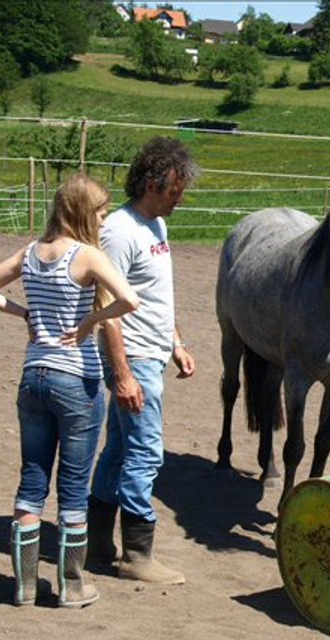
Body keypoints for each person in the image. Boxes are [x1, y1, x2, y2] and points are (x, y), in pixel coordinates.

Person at [0, 174, 140, 608]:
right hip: (75, 380)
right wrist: (88, 323)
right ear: (84, 211)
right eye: (101, 212)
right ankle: (72, 585)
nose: (103, 220)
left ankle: (24, 585)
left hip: (33, 377)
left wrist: (25, 313)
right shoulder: (88, 257)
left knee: (32, 480)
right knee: (74, 485)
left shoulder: (30, 253)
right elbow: (130, 300)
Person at [88, 137, 197, 586]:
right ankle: (137, 553)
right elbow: (106, 305)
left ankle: (97, 545)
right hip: (132, 358)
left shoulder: (156, 227)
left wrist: (175, 342)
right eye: (176, 187)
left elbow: (153, 295)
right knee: (145, 452)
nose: (181, 196)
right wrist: (124, 374)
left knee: (117, 449)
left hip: (152, 352)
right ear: (154, 182)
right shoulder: (119, 230)